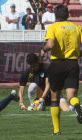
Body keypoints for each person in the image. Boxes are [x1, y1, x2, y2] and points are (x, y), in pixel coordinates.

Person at [40, 5, 82, 135]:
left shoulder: (53, 27)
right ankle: (77, 106)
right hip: (73, 64)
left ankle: (56, 130)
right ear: (68, 15)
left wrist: (44, 50)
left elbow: (50, 44)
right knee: (71, 96)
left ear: (55, 16)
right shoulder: (77, 27)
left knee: (55, 98)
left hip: (57, 64)